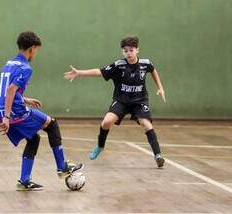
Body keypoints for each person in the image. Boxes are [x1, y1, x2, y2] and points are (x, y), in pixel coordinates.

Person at [0, 31, 83, 191]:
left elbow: (7, 91)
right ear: (32, 48)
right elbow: (10, 91)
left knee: (33, 138)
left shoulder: (8, 64)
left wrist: (25, 100)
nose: (36, 54)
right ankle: (62, 167)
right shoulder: (25, 68)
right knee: (52, 125)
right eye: (36, 50)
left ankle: (24, 180)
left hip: (3, 110)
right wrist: (8, 117)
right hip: (14, 113)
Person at [64, 35, 166, 168]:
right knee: (106, 122)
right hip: (122, 100)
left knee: (146, 124)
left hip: (139, 101)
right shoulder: (119, 65)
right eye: (125, 50)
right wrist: (79, 73)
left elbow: (153, 71)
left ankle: (158, 155)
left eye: (131, 50)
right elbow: (99, 71)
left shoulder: (146, 63)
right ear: (122, 52)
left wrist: (160, 88)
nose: (128, 53)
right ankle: (100, 146)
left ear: (137, 50)